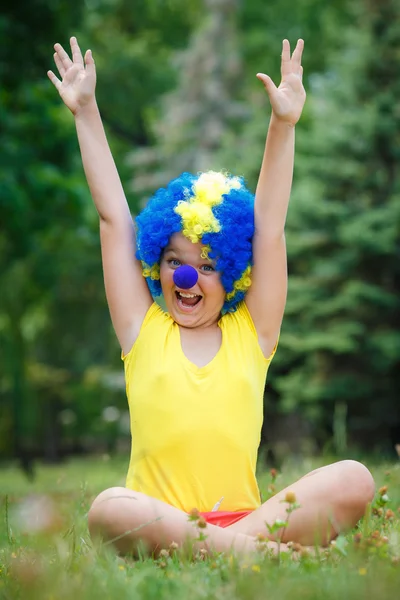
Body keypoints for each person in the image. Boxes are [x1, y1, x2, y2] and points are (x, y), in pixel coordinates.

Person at [47, 37, 375, 558]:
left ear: (234, 274)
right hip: (160, 522)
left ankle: (235, 550)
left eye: (206, 266)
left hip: (253, 520)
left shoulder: (254, 332)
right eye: (175, 261)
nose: (186, 279)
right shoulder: (142, 327)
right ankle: (255, 557)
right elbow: (113, 219)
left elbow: (269, 230)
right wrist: (86, 112)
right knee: (110, 507)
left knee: (354, 477)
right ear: (157, 262)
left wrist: (282, 126)